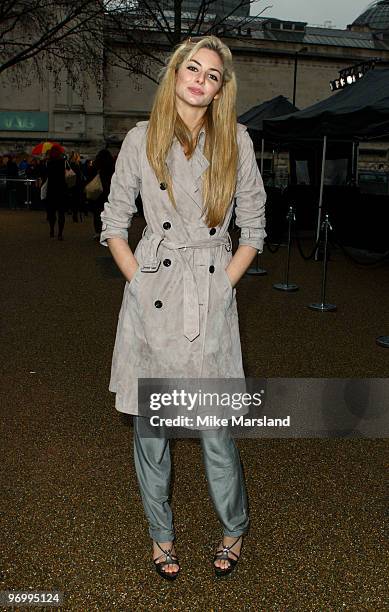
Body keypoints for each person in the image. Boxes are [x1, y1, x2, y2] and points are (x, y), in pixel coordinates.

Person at [100, 35, 266, 580]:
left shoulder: (236, 142)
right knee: (153, 433)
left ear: (220, 91)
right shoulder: (140, 139)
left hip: (210, 294)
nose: (200, 78)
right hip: (154, 296)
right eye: (192, 68)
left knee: (215, 431)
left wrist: (223, 286)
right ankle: (161, 535)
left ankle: (233, 527)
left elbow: (254, 229)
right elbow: (114, 221)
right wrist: (138, 281)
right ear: (175, 74)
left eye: (212, 75)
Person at [91, 149, 115, 239]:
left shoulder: (97, 166)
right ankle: (108, 231)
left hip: (99, 190)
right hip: (109, 191)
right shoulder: (112, 166)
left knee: (97, 212)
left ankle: (98, 231)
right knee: (108, 212)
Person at [46, 144, 67, 240]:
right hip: (61, 190)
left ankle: (51, 230)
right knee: (61, 213)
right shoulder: (63, 162)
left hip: (51, 190)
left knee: (52, 212)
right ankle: (60, 233)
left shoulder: (49, 163)